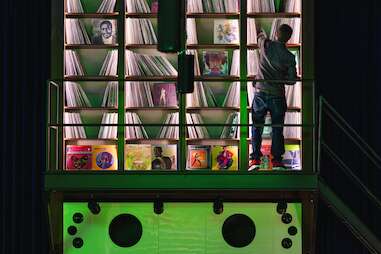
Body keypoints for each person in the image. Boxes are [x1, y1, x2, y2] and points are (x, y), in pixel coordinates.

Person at [249, 24, 297, 170]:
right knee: (277, 128)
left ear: (276, 33)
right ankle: (277, 161)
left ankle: (255, 160)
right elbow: (291, 80)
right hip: (277, 95)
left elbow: (259, 36)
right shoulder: (289, 57)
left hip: (260, 93)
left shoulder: (266, 44)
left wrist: (261, 30)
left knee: (257, 126)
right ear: (289, 38)